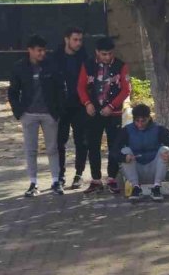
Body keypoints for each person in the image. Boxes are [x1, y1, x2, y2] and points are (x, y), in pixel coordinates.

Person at [7, 34, 65, 197]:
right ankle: (33, 183)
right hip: (29, 114)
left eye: (44, 50)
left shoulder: (51, 66)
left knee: (52, 148)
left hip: (49, 114)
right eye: (39, 50)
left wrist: (58, 111)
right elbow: (13, 92)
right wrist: (19, 112)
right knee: (30, 149)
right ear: (30, 50)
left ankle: (56, 181)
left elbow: (61, 89)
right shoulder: (19, 67)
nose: (42, 54)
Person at [77, 36, 131, 194]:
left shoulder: (121, 65)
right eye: (103, 54)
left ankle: (112, 178)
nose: (107, 57)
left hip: (113, 112)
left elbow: (126, 89)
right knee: (93, 145)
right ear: (97, 52)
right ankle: (96, 179)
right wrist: (87, 103)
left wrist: (112, 106)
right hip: (93, 111)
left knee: (114, 144)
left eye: (110, 54)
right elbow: (80, 87)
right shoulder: (88, 65)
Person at [114, 104, 169, 202]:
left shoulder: (159, 129)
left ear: (149, 118)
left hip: (154, 169)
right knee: (125, 151)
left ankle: (156, 187)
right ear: (133, 119)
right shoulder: (126, 130)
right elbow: (114, 151)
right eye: (137, 121)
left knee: (165, 150)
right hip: (135, 169)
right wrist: (123, 157)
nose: (140, 124)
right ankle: (136, 188)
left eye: (143, 121)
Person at [50, 26, 87, 189]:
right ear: (66, 39)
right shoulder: (55, 58)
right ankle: (60, 175)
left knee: (81, 141)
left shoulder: (85, 57)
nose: (78, 43)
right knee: (59, 142)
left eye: (80, 40)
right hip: (61, 107)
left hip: (80, 105)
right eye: (75, 39)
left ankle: (79, 174)